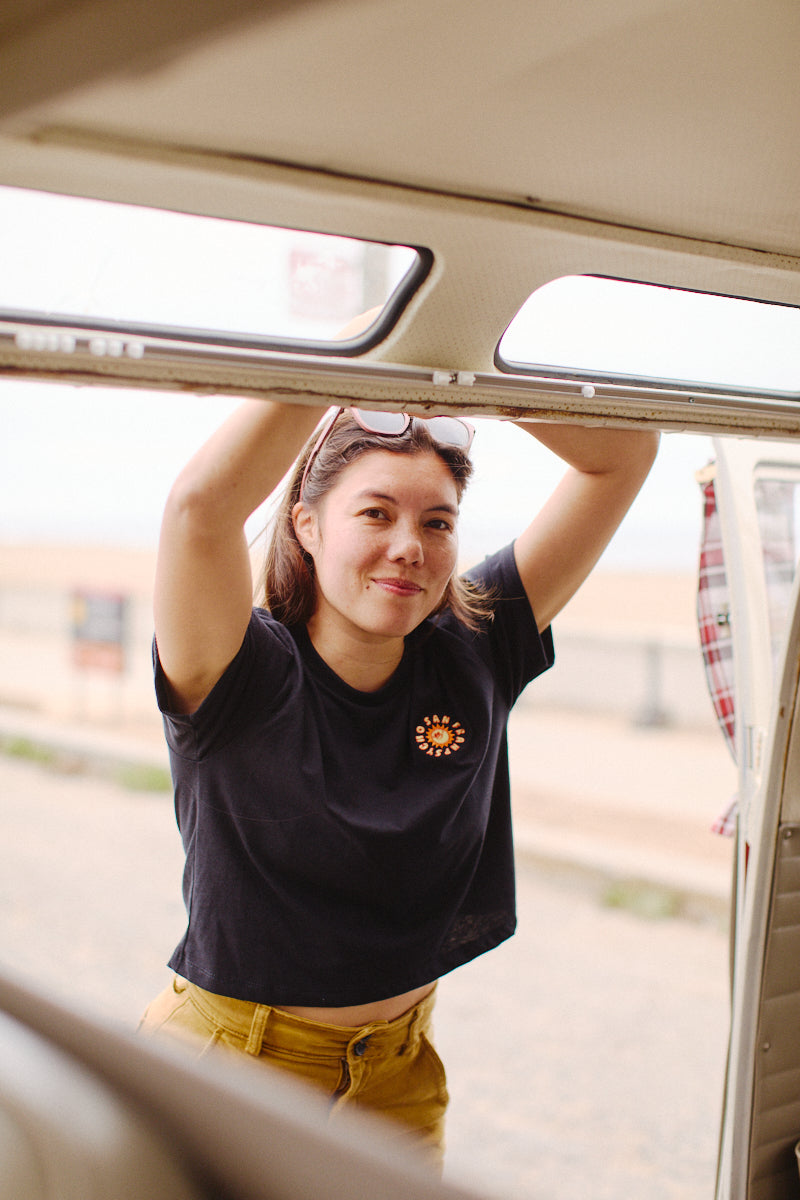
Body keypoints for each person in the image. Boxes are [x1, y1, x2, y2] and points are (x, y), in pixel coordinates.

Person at [139, 393, 658, 1168]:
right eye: (376, 514)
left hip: (397, 1080)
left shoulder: (476, 647)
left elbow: (623, 457)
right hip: (228, 1070)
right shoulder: (236, 676)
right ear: (307, 526)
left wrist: (463, 373)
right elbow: (199, 508)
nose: (410, 546)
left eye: (437, 522)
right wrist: (361, 360)